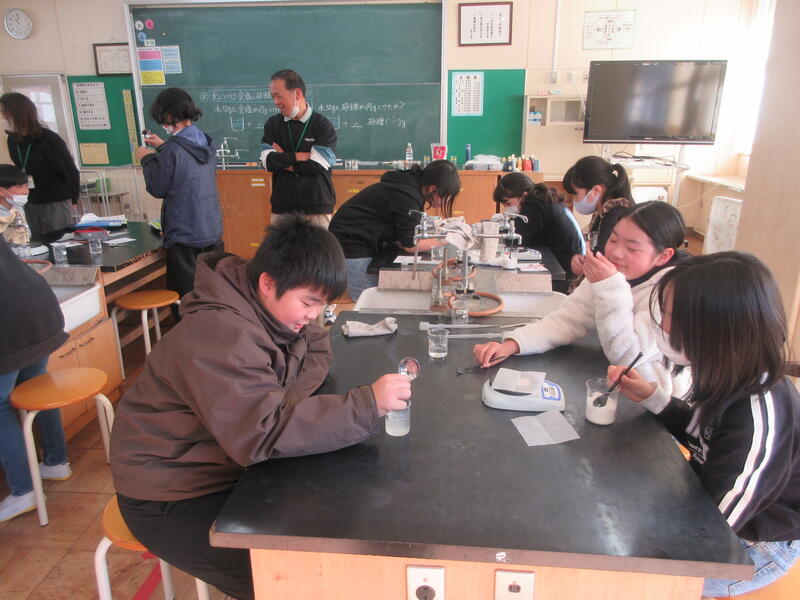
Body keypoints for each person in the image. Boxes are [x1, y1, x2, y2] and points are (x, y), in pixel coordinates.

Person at [110, 216, 411, 600]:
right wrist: (365, 406)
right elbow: (260, 435)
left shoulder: (267, 305)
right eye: (308, 302)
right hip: (170, 491)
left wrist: (282, 403)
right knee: (287, 579)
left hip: (223, 463)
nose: (313, 315)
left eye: (322, 304)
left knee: (328, 529)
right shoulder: (220, 334)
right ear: (268, 283)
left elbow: (316, 344)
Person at [608, 252, 800, 597]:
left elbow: (715, 528)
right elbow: (706, 435)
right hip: (715, 506)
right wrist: (654, 397)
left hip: (754, 546)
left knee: (621, 578)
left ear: (712, 327)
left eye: (669, 315)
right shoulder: (732, 375)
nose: (664, 326)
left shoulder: (758, 415)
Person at [473, 201, 688, 398]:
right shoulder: (609, 275)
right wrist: (514, 343)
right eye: (613, 240)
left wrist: (610, 286)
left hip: (658, 401)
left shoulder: (671, 292)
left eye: (632, 248)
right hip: (614, 384)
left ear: (664, 256)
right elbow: (567, 320)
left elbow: (628, 357)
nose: (616, 252)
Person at [0, 235, 72, 523]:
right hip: (38, 308)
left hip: (9, 323)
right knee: (36, 385)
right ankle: (56, 462)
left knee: (1, 406)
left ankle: (24, 490)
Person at [136, 87, 223, 318]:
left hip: (184, 233)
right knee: (212, 292)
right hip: (210, 228)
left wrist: (147, 159)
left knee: (185, 298)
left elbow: (158, 187)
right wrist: (163, 147)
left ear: (168, 116)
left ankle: (187, 337)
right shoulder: (205, 142)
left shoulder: (173, 150)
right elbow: (186, 161)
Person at [329, 159, 461, 301]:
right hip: (350, 240)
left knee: (376, 295)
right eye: (447, 196)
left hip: (360, 236)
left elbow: (404, 235)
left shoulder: (411, 187)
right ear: (432, 189)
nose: (447, 201)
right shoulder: (407, 195)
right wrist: (447, 239)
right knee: (366, 298)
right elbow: (410, 245)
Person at [260, 69, 337, 228]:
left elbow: (317, 166)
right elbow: (267, 162)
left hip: (316, 206)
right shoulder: (273, 124)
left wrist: (283, 159)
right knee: (280, 246)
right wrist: (298, 156)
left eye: (278, 96)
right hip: (282, 207)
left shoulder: (322, 125)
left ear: (297, 94)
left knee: (319, 246)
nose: (275, 102)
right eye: (272, 97)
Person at [1, 92, 80, 241]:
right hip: (30, 201)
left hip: (55, 201)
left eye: (5, 112)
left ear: (17, 113)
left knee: (59, 241)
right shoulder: (12, 140)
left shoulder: (49, 139)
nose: (3, 117)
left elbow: (70, 171)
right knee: (38, 242)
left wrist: (74, 198)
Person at [493, 173, 584, 293]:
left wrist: (495, 229)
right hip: (566, 262)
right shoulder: (543, 198)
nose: (506, 208)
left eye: (508, 203)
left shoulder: (535, 204)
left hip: (565, 274)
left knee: (505, 284)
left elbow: (515, 239)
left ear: (523, 195)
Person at [562, 155, 635, 278]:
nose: (574, 201)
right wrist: (584, 261)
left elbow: (604, 263)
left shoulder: (616, 217)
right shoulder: (602, 214)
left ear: (596, 190)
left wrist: (586, 265)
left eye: (576, 195)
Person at [0, 164, 30, 245]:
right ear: (1, 191)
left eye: (26, 186)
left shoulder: (18, 209)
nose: (26, 191)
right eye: (19, 186)